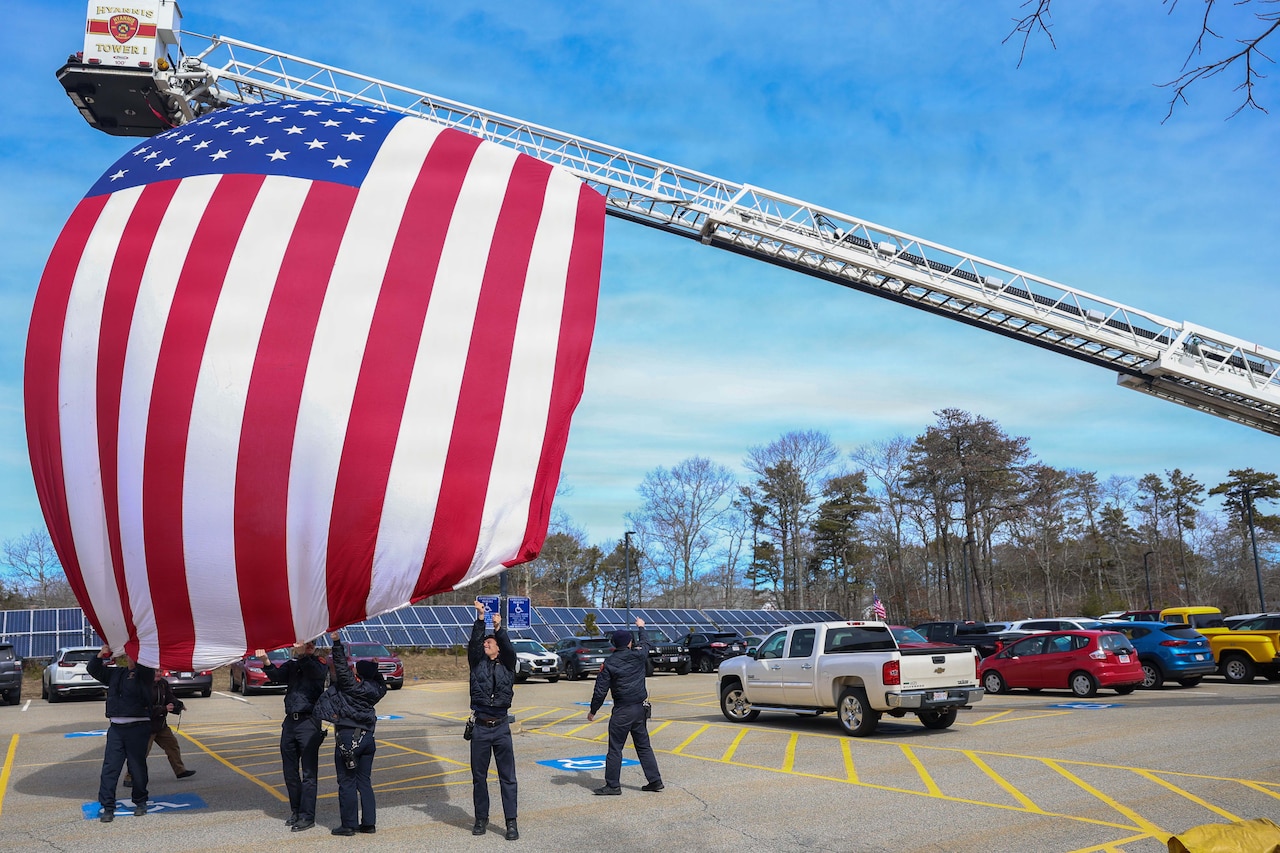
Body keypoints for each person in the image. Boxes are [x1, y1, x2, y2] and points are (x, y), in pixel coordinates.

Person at [313, 630, 387, 836]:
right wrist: (375, 670)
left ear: (357, 672)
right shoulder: (376, 690)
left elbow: (340, 665)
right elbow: (380, 683)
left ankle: (348, 825)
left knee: (346, 781)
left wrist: (336, 642)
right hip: (367, 738)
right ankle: (369, 823)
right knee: (364, 781)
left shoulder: (351, 686)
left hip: (348, 738)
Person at [258, 639, 329, 832]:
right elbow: (277, 676)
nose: (307, 646)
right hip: (290, 722)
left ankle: (307, 816)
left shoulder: (318, 663)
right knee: (290, 772)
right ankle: (296, 811)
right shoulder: (293, 664)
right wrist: (266, 661)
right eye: (305, 643)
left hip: (309, 722)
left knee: (308, 773)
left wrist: (303, 655)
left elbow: (315, 673)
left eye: (310, 644)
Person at [587, 617, 663, 795]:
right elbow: (646, 642)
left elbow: (600, 690)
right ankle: (655, 780)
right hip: (640, 709)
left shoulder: (609, 663)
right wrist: (641, 627)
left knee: (615, 748)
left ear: (614, 644)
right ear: (630, 642)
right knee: (643, 746)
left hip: (622, 710)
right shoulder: (638, 655)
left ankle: (613, 785)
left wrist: (593, 711)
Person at [467, 599, 519, 841]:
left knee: (507, 777)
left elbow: (509, 649)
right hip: (480, 728)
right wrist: (481, 618)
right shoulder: (476, 663)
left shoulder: (508, 665)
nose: (486, 644)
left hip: (501, 728)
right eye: (485, 642)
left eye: (490, 642)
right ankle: (481, 818)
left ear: (498, 648)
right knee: (479, 777)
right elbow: (473, 645)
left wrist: (499, 629)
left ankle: (511, 822)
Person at [87, 645, 155, 823]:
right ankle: (108, 806)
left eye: (134, 656)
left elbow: (146, 669)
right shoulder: (116, 674)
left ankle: (140, 802)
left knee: (136, 768)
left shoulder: (145, 674)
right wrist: (100, 655)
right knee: (110, 768)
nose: (130, 658)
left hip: (137, 728)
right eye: (129, 656)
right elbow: (93, 669)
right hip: (116, 729)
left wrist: (140, 652)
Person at [123, 674, 196, 787]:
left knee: (172, 745)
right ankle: (130, 776)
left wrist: (178, 704)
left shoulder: (163, 683)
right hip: (145, 727)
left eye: (160, 671)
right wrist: (163, 708)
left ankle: (180, 771)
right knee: (141, 753)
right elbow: (143, 708)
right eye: (156, 671)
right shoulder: (142, 685)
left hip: (160, 725)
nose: (158, 673)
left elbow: (169, 697)